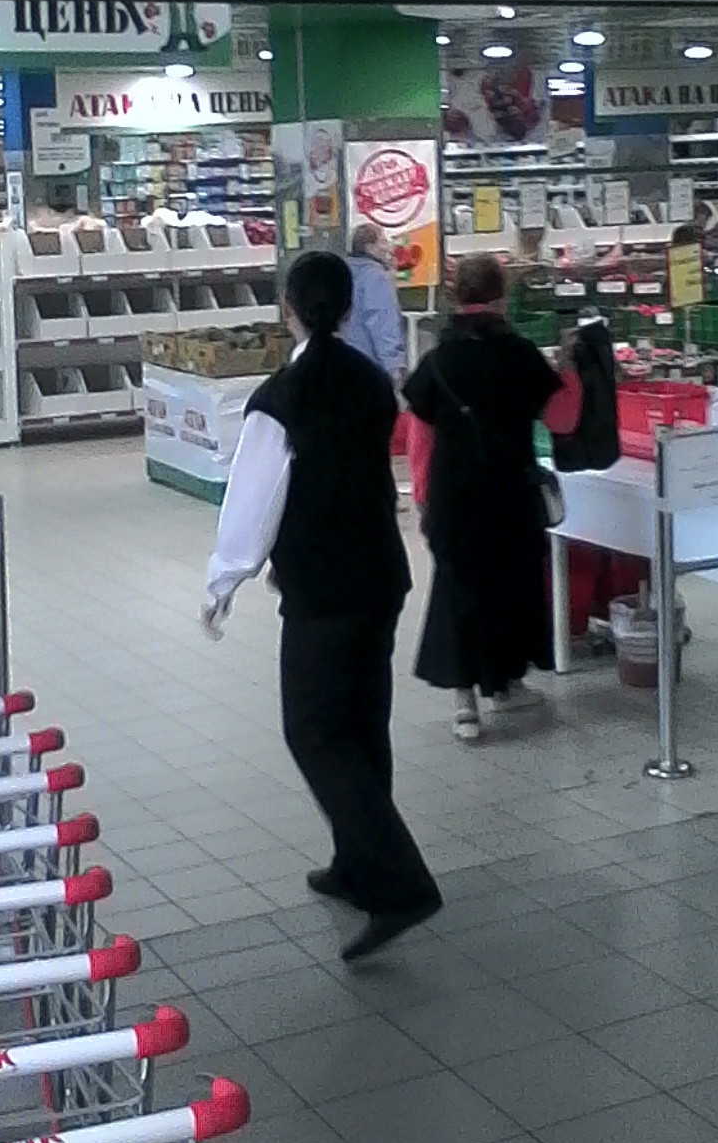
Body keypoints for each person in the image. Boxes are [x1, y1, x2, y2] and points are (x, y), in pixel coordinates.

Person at [201, 249, 441, 961]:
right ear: (347, 307)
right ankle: (354, 864)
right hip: (381, 576)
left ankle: (399, 885)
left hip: (324, 589)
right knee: (362, 727)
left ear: (289, 308)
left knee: (313, 732)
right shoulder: (371, 381)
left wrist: (223, 583)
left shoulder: (282, 397)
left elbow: (255, 502)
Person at [404, 254, 582, 742]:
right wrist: (569, 367)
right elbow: (562, 419)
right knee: (511, 584)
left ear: (456, 295)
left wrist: (422, 493)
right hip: (509, 492)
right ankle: (505, 683)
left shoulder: (438, 360)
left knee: (459, 591)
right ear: (501, 296)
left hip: (454, 494)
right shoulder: (520, 354)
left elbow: (419, 434)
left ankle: (465, 703)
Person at [339, 223, 407, 382]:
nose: (388, 248)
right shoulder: (375, 277)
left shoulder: (343, 273)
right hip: (370, 365)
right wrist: (393, 365)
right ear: (369, 247)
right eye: (383, 242)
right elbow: (382, 321)